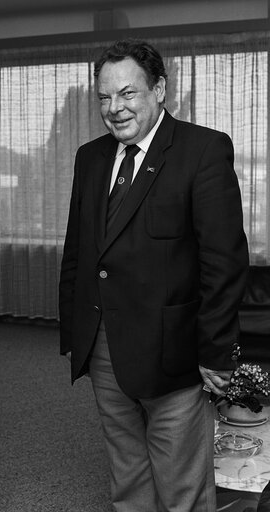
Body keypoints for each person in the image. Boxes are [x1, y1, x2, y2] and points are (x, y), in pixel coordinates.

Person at [59, 39, 249, 512]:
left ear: (159, 89)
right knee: (127, 474)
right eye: (104, 97)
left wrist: (218, 351)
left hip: (175, 349)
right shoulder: (90, 157)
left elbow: (223, 262)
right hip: (103, 343)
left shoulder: (203, 149)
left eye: (127, 93)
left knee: (181, 484)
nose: (114, 108)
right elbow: (79, 251)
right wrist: (75, 329)